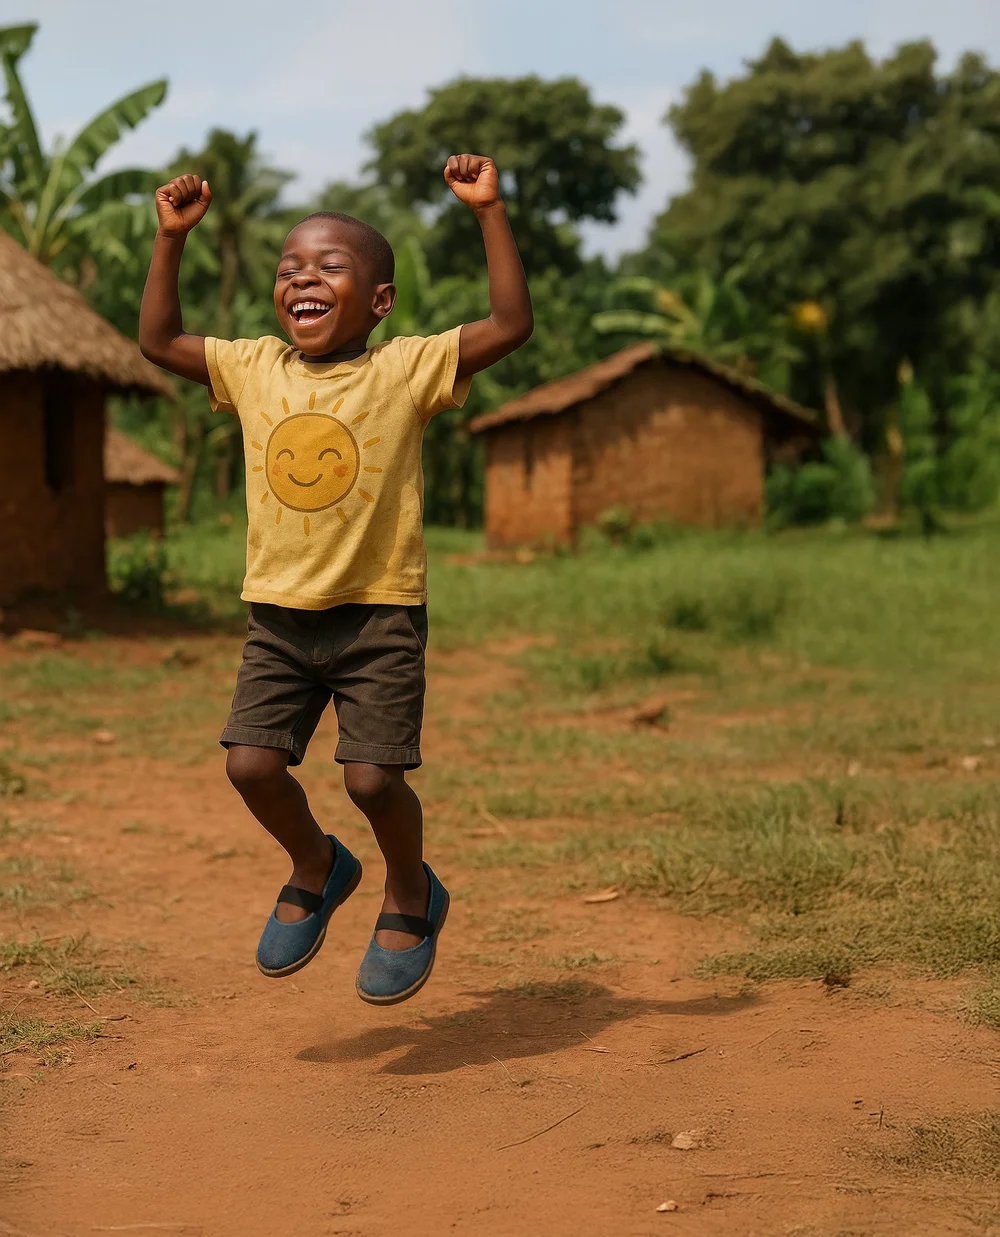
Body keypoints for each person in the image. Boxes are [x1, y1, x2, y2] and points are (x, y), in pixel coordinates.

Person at [138, 154, 532, 1005]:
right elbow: (159, 342)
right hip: (278, 619)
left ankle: (410, 891)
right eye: (290, 268)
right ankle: (318, 862)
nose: (303, 278)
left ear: (379, 301)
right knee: (250, 766)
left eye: (329, 266)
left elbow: (509, 323)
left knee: (372, 780)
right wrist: (171, 239)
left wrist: (489, 212)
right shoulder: (253, 367)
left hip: (378, 616)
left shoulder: (406, 369)